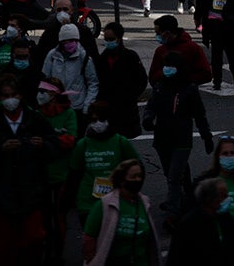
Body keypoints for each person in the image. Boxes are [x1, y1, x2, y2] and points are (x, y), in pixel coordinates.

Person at [0, 74, 58, 266]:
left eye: (13, 94)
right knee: (6, 248)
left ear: (20, 96)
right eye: (5, 96)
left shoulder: (35, 120)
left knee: (34, 242)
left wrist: (43, 145)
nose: (9, 99)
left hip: (32, 194)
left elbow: (54, 148)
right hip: (2, 196)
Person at [142, 50, 214, 232]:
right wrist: (148, 119)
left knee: (174, 175)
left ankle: (173, 213)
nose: (166, 69)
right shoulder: (160, 86)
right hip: (162, 139)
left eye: (170, 66)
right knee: (172, 173)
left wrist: (206, 136)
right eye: (165, 66)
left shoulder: (189, 89)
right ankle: (186, 198)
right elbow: (151, 106)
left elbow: (199, 115)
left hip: (182, 139)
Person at [66, 100, 141, 230]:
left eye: (101, 119)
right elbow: (74, 174)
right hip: (87, 203)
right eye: (93, 120)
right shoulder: (82, 144)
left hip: (117, 201)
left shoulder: (120, 142)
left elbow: (137, 169)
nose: (97, 123)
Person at [82, 158, 162, 266]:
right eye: (133, 177)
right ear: (122, 180)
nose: (138, 180)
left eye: (140, 176)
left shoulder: (144, 203)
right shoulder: (105, 204)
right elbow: (89, 238)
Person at [35, 77, 79, 263]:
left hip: (62, 174)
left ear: (53, 94)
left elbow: (70, 139)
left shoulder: (68, 114)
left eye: (44, 92)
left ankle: (58, 252)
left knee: (59, 216)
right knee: (42, 216)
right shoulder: (36, 114)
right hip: (40, 174)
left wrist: (46, 143)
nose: (40, 95)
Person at [167, 176, 234, 265]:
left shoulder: (224, 217)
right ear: (211, 198)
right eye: (224, 196)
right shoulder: (189, 224)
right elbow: (176, 256)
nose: (228, 199)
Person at [42, 23, 101, 133]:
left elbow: (93, 83)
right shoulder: (52, 56)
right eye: (67, 40)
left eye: (73, 40)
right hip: (57, 108)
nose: (70, 43)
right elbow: (45, 81)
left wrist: (86, 106)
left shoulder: (84, 58)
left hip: (77, 108)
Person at [96, 21, 148, 138]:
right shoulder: (102, 59)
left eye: (111, 39)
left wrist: (130, 96)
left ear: (119, 39)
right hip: (107, 110)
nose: (108, 42)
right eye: (106, 39)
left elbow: (141, 80)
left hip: (126, 111)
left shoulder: (130, 57)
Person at [148, 14, 213, 87]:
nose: (157, 36)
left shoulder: (193, 48)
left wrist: (185, 79)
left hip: (186, 93)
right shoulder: (160, 50)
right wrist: (162, 74)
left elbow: (206, 74)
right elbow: (152, 78)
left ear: (167, 33)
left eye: (158, 33)